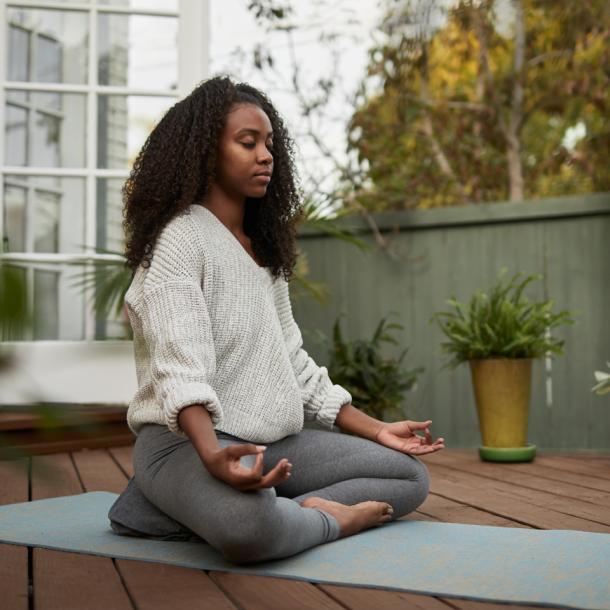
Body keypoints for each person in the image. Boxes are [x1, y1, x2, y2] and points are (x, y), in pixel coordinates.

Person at [109, 75, 445, 565]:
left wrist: (376, 430)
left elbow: (293, 363)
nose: (266, 154)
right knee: (251, 528)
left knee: (407, 477)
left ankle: (177, 508)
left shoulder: (262, 252)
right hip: (185, 444)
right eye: (248, 143)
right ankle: (322, 518)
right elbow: (178, 370)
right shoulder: (178, 240)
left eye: (269, 143)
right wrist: (211, 458)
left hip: (270, 441)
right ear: (205, 152)